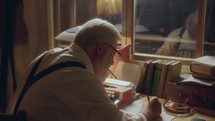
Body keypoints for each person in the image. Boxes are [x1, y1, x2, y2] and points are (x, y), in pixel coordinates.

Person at [5, 18, 161, 121]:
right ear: (100, 48)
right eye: (114, 54)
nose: (112, 62)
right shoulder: (80, 78)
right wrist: (147, 112)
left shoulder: (50, 55)